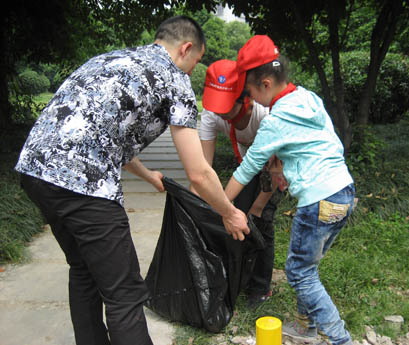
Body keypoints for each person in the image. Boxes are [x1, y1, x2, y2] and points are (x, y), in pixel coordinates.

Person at [15, 16, 249, 345]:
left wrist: (147, 174)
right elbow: (199, 171)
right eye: (196, 62)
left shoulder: (109, 59)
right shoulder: (174, 77)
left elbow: (105, 135)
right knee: (124, 294)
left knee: (83, 269)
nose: (192, 71)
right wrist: (228, 212)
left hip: (34, 169)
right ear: (185, 49)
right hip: (83, 185)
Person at [225, 35, 355, 345]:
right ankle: (304, 327)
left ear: (266, 84)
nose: (252, 100)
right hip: (344, 193)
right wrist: (287, 167)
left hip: (318, 200)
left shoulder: (276, 119)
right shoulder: (308, 98)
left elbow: (247, 168)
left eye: (252, 92)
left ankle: (340, 339)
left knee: (299, 273)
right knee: (308, 267)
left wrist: (220, 203)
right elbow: (323, 142)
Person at [198, 59, 286, 308]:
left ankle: (260, 287)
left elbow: (276, 171)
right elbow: (204, 169)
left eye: (228, 109)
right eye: (218, 108)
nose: (222, 115)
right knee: (238, 218)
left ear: (246, 98)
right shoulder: (211, 115)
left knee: (261, 219)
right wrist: (201, 204)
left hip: (276, 165)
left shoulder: (266, 113)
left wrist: (258, 206)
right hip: (246, 164)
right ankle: (241, 276)